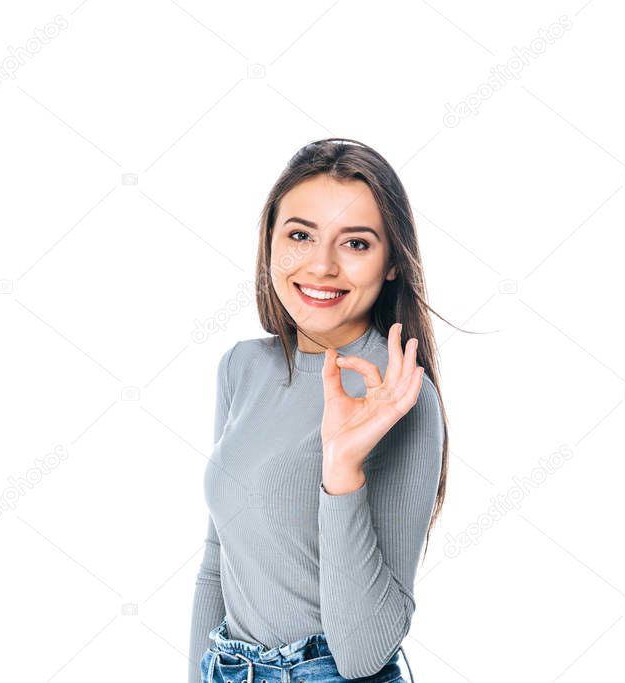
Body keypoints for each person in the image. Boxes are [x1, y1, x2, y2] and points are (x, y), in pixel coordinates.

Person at [188, 138, 451, 682]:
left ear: (393, 263)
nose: (321, 265)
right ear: (270, 242)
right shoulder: (243, 367)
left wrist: (342, 469)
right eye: (301, 235)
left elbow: (361, 655)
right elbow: (218, 564)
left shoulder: (403, 395)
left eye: (355, 243)